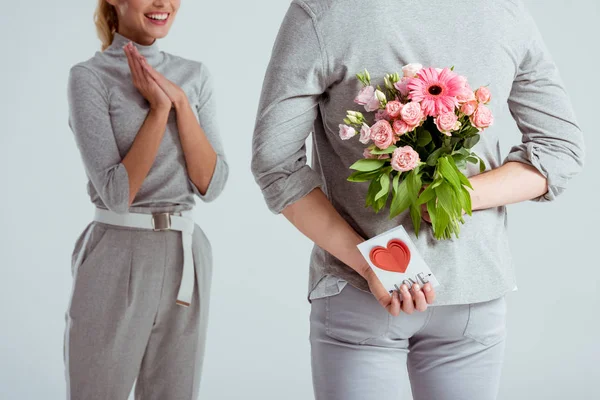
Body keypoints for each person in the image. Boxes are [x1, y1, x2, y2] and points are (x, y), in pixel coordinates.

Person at [251, 0, 584, 399]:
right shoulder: (505, 11)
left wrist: (374, 261)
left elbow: (275, 164)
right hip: (472, 289)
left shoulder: (324, 11)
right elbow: (560, 150)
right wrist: (459, 196)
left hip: (363, 291)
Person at [63, 0, 228, 398]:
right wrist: (158, 110)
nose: (163, 4)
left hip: (186, 254)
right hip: (117, 251)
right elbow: (117, 194)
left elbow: (212, 184)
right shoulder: (89, 77)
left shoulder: (194, 75)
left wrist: (182, 103)